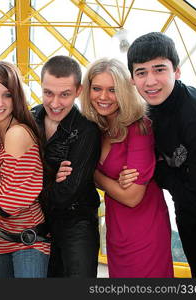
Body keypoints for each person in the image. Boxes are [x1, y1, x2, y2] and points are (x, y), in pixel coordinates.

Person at [124, 32, 196, 277]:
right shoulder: (149, 112)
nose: (150, 81)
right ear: (132, 79)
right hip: (190, 224)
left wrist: (160, 171)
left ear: (177, 71)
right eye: (141, 72)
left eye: (159, 69)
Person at [59, 58, 173, 277]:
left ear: (124, 90)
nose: (103, 97)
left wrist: (92, 173)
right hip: (116, 227)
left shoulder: (139, 127)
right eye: (97, 88)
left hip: (145, 228)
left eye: (112, 90)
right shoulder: (97, 128)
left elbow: (132, 196)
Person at [31, 55, 101, 277]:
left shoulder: (86, 129)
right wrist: (51, 177)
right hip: (39, 223)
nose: (54, 103)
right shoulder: (30, 118)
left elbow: (68, 192)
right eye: (48, 93)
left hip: (77, 225)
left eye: (65, 95)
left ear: (79, 91)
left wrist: (32, 182)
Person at [0, 61, 50, 278]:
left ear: (16, 97)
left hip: (29, 239)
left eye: (7, 95)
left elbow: (12, 200)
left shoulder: (16, 133)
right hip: (1, 236)